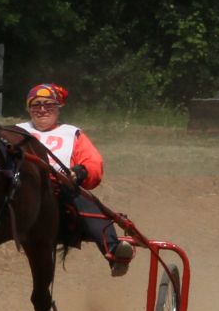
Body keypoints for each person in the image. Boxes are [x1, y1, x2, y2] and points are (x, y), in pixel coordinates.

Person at [16, 82, 134, 275]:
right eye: (36, 104)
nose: (42, 109)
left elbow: (93, 162)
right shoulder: (16, 131)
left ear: (58, 107)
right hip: (21, 190)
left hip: (59, 191)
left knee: (87, 202)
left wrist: (79, 172)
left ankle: (113, 251)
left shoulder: (71, 133)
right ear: (28, 108)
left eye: (49, 104)